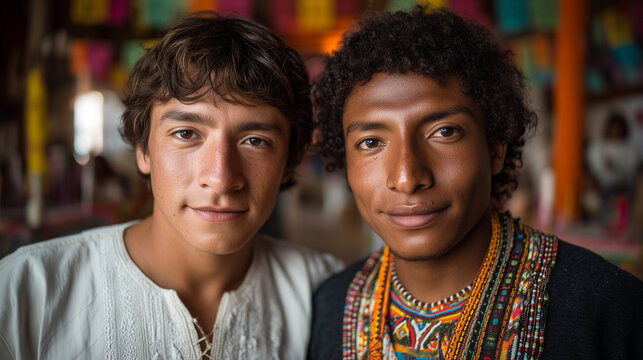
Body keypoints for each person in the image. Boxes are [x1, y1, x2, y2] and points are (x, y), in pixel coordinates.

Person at [0, 12, 342, 359]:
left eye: (254, 140)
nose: (221, 178)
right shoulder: (29, 292)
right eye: (186, 134)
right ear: (143, 150)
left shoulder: (325, 292)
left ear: (288, 161)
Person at [308, 7, 643, 360]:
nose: (407, 178)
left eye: (444, 132)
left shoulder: (608, 311)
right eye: (371, 142)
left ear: (495, 148)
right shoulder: (330, 309)